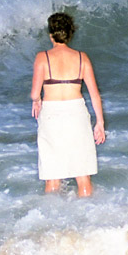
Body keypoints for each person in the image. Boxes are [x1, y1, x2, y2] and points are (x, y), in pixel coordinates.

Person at [30, 12, 105, 197]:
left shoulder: (42, 57)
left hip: (51, 114)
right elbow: (95, 94)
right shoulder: (82, 57)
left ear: (51, 34)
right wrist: (100, 123)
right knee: (82, 175)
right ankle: (89, 219)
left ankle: (54, 221)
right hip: (76, 112)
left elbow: (34, 93)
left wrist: (37, 100)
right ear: (70, 34)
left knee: (52, 176)